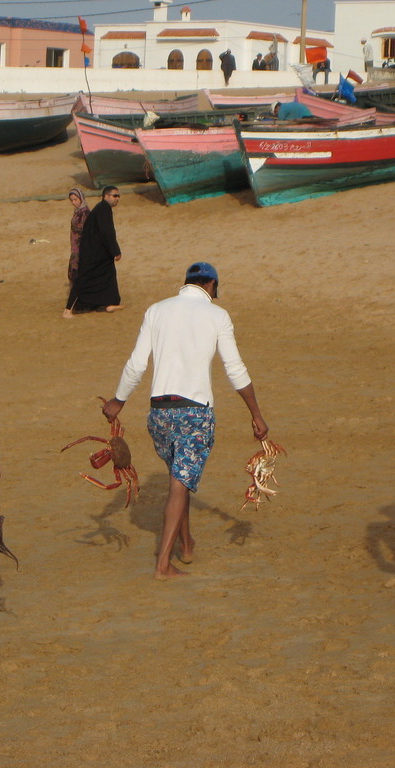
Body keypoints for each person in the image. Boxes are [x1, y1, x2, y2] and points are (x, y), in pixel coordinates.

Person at [102, 262, 269, 579]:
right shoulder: (217, 315)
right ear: (211, 286)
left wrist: (118, 401)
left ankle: (187, 544)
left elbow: (137, 363)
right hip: (194, 412)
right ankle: (163, 564)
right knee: (180, 485)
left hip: (159, 413)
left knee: (179, 477)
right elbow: (235, 370)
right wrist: (256, 414)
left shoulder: (156, 311)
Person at [64, 186, 124, 317]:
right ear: (106, 196)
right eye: (114, 196)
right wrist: (115, 251)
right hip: (91, 252)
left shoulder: (102, 209)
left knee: (107, 274)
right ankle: (68, 309)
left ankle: (108, 303)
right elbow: (107, 232)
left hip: (98, 251)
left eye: (118, 196)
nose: (117, 198)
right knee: (83, 278)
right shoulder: (103, 209)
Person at [66, 187, 90, 287]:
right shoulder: (78, 212)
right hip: (76, 247)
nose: (73, 202)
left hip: (82, 247)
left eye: (75, 199)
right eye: (72, 200)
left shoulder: (84, 213)